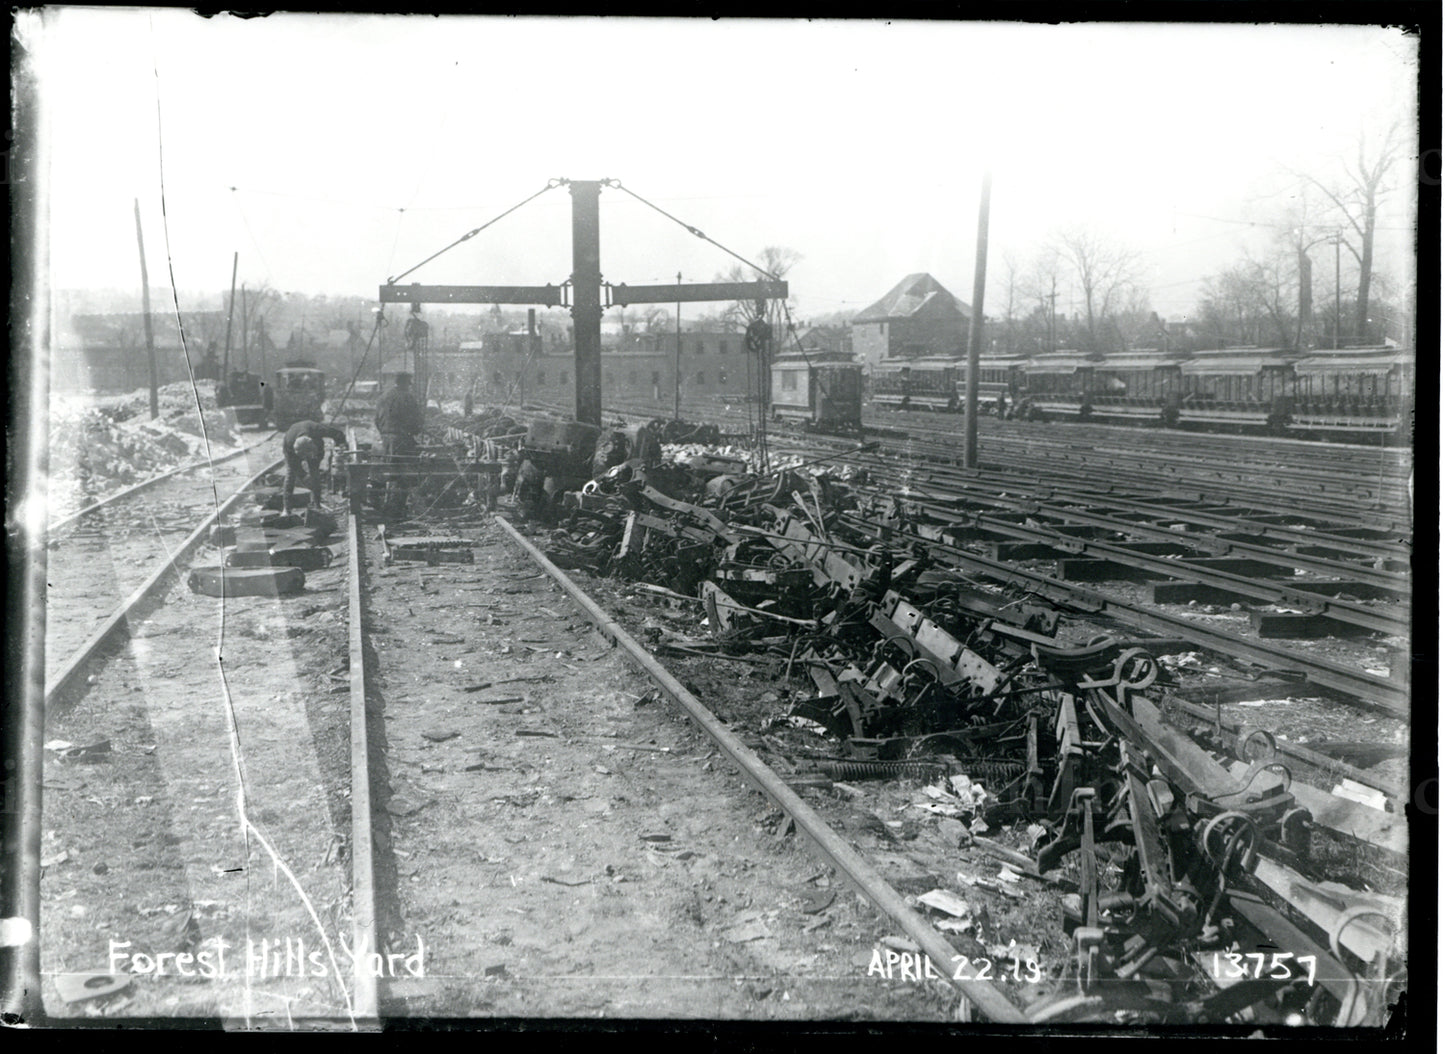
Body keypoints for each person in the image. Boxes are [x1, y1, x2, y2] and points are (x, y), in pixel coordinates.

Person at [375, 373, 425, 516]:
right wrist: (415, 431)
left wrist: (385, 434)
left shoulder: (382, 397)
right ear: (405, 383)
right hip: (402, 438)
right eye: (409, 384)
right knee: (405, 474)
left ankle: (390, 504)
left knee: (391, 470)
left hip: (386, 438)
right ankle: (396, 509)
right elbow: (416, 421)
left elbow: (376, 420)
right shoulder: (407, 397)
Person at [282, 419, 348, 516]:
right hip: (293, 452)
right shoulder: (288, 442)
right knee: (290, 476)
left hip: (316, 450)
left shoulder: (316, 429)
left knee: (315, 474)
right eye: (304, 456)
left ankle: (317, 504)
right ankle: (287, 509)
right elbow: (293, 465)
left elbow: (337, 433)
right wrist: (303, 476)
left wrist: (340, 445)